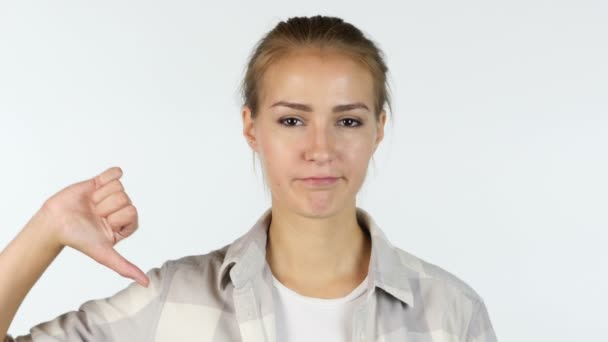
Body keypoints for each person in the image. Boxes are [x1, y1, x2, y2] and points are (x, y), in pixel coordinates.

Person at [0, 15, 498, 342]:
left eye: (347, 120)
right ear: (251, 128)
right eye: (292, 120)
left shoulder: (450, 313)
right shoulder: (175, 300)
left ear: (378, 130)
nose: (320, 149)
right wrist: (48, 227)